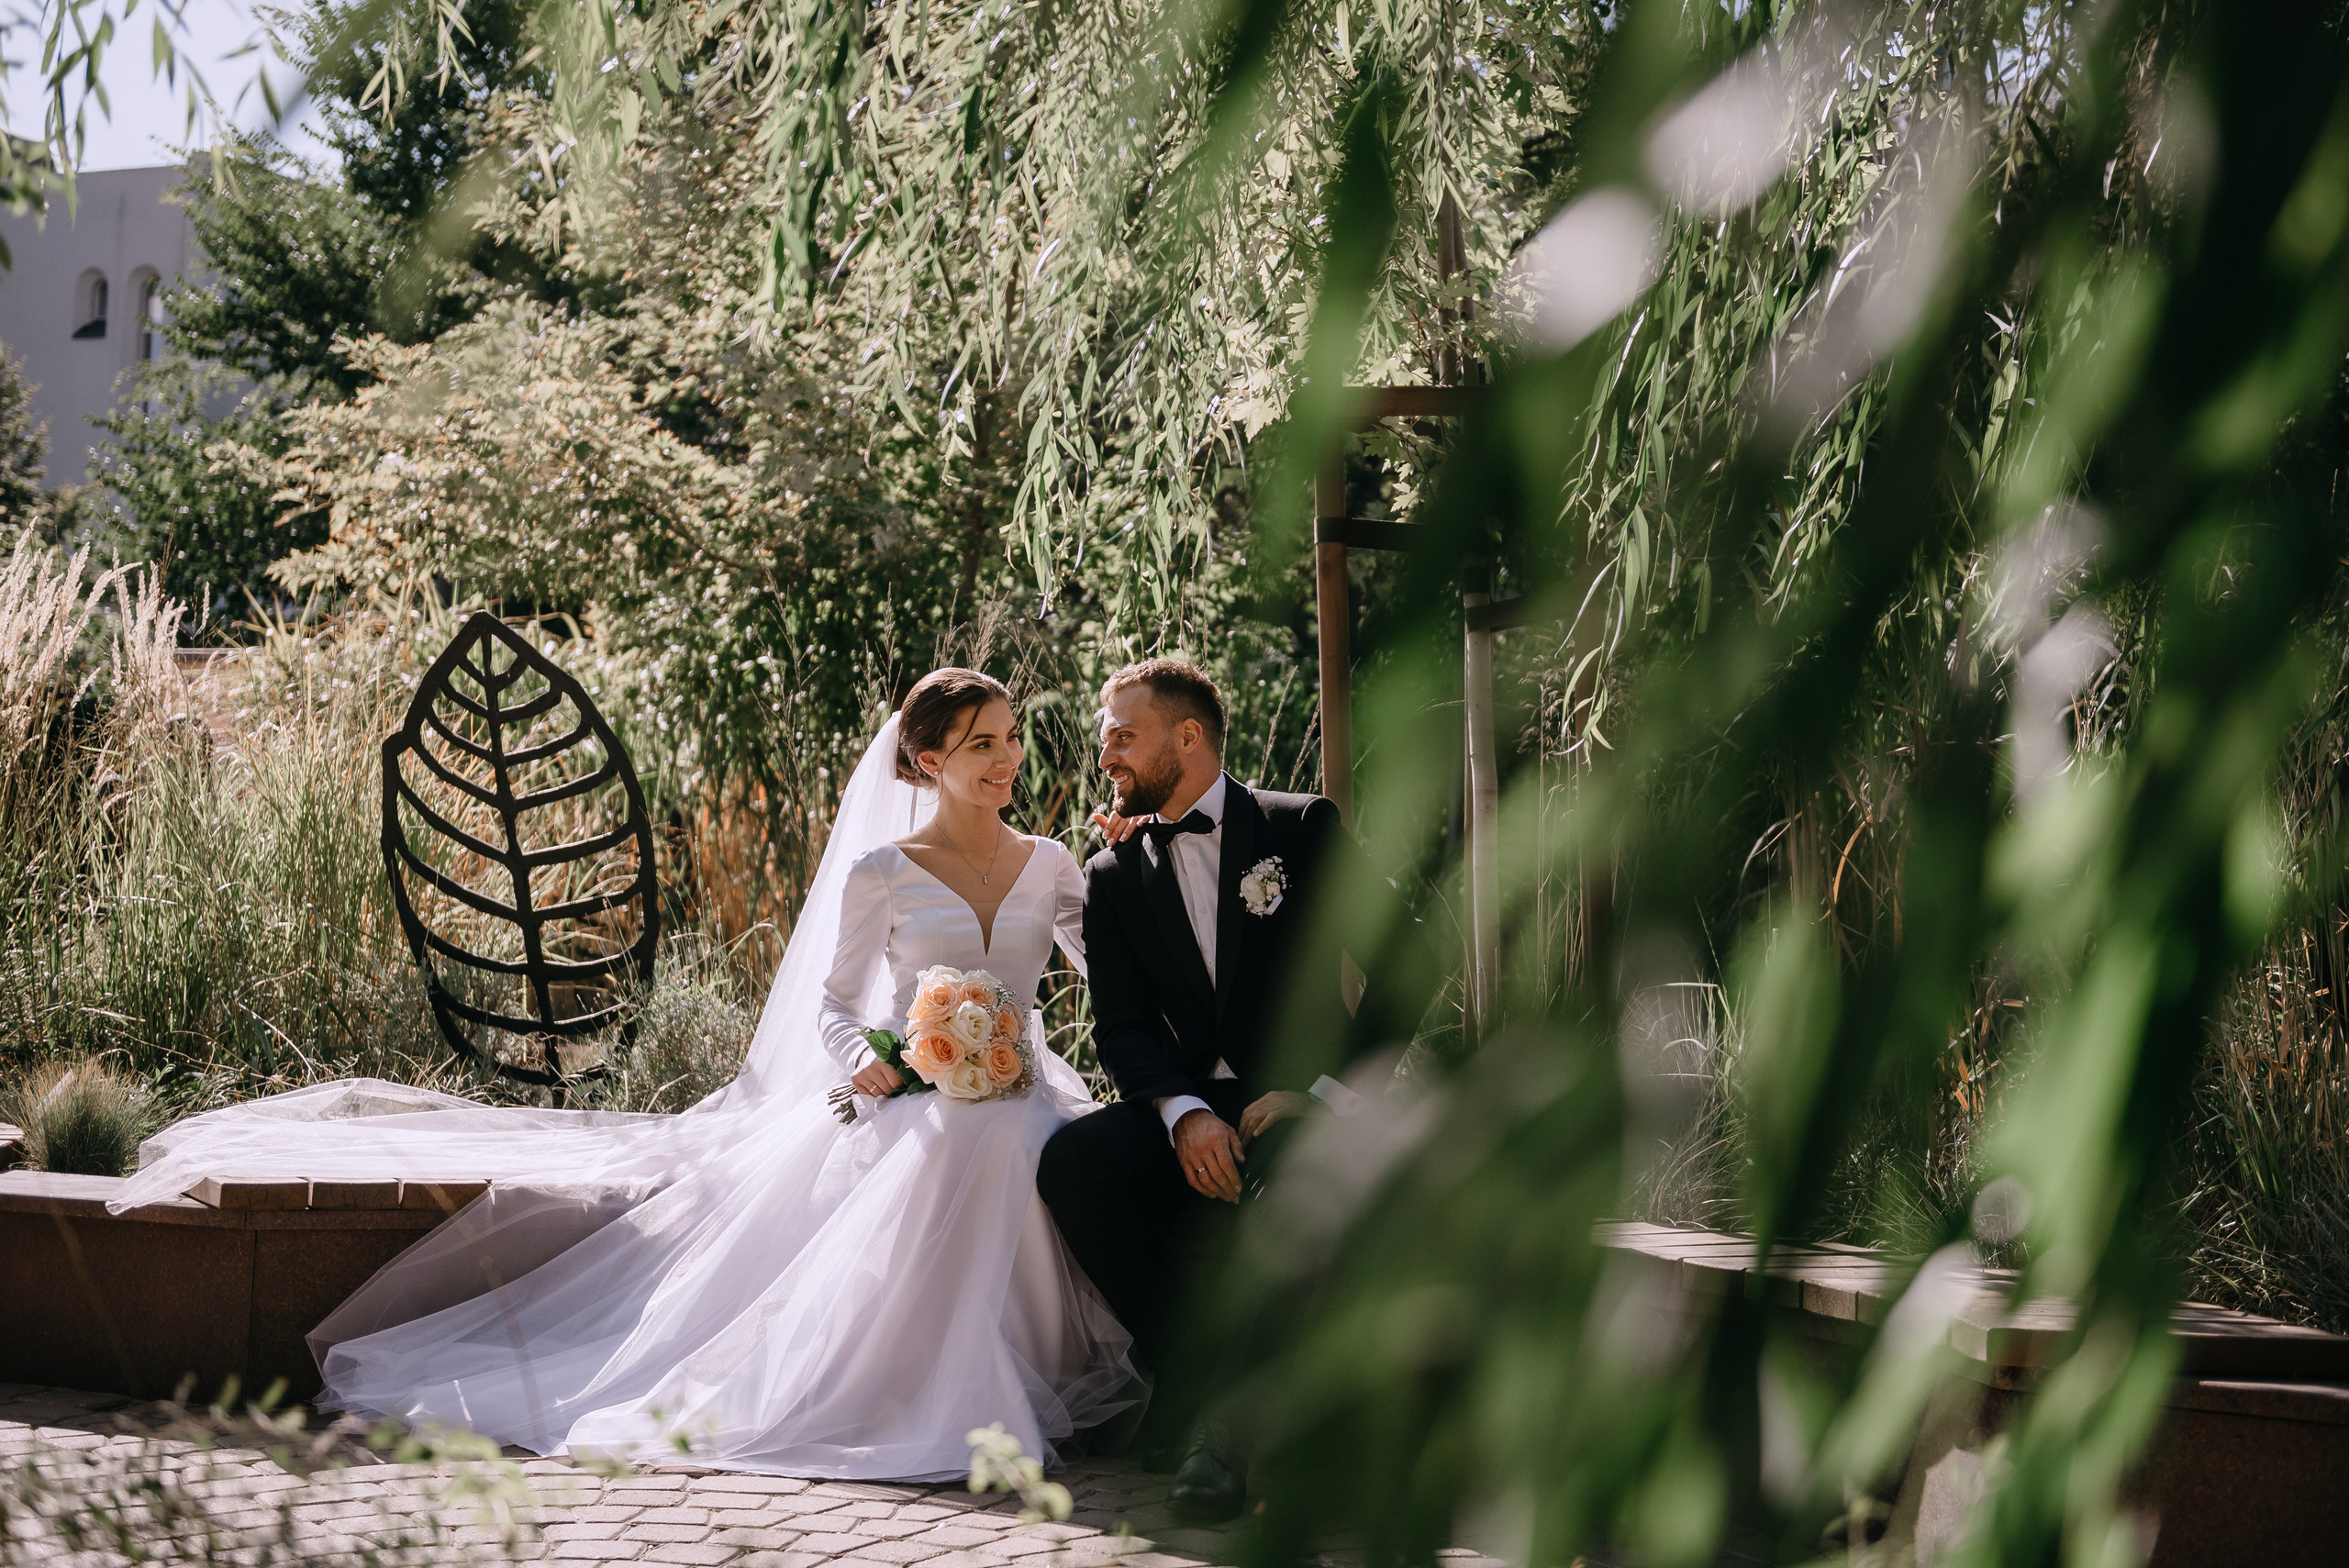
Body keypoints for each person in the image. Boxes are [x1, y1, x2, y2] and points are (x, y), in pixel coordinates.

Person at [111, 669, 1137, 1481]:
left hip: (1022, 1078)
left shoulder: (1051, 860)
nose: (1006, 758)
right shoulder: (884, 872)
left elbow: (1113, 966)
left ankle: (1041, 1379)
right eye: (982, 743)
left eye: (1009, 738)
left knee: (1025, 1139)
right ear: (927, 756)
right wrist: (865, 1061)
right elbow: (833, 1003)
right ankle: (941, 1396)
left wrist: (1127, 872)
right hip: (914, 1088)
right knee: (962, 1145)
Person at [1039, 658, 1375, 1523]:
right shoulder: (1112, 876)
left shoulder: (1303, 830)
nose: (1105, 752)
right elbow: (1120, 1027)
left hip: (1300, 1103)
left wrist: (1323, 1092)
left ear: (1187, 736)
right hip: (1188, 1108)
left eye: (1123, 733)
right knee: (1072, 1161)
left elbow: (1407, 968)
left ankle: (1219, 1441)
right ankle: (1195, 1379)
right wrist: (1182, 1113)